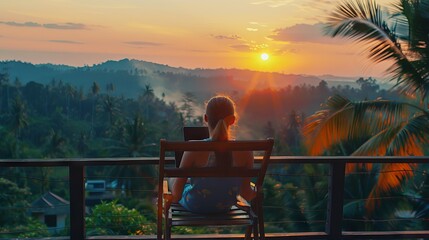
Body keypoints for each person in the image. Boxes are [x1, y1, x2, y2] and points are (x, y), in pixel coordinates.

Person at [170, 95, 256, 213]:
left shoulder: (193, 148)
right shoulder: (246, 151)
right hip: (225, 207)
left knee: (172, 179)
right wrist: (256, 189)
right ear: (232, 120)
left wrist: (172, 182)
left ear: (206, 118)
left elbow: (176, 196)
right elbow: (246, 195)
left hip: (196, 205)